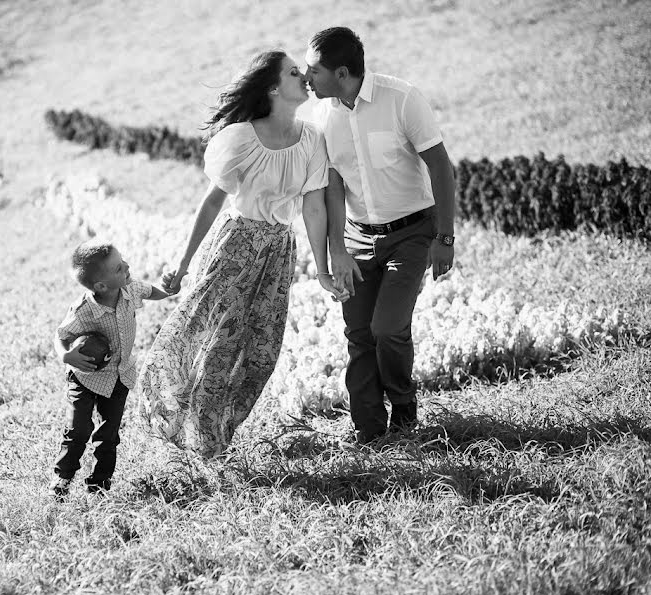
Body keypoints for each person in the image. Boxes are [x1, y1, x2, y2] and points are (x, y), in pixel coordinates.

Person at [138, 49, 345, 458]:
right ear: (272, 87)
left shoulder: (312, 139)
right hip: (236, 245)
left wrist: (322, 269)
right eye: (292, 72)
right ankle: (205, 441)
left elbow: (314, 206)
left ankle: (212, 429)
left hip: (279, 250)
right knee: (215, 341)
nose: (303, 75)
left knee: (262, 352)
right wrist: (182, 265)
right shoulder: (241, 138)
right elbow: (213, 202)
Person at [305, 26, 457, 444]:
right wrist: (338, 249)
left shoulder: (402, 98)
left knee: (387, 327)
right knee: (358, 332)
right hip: (357, 237)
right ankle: (368, 430)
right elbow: (332, 186)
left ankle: (404, 411)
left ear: (341, 72)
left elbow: (441, 167)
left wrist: (445, 238)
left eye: (312, 69)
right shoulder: (322, 116)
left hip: (412, 233)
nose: (306, 77)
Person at [52, 240, 170, 497]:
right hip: (85, 378)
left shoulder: (130, 289)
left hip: (119, 376)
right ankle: (61, 480)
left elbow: (152, 290)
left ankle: (99, 485)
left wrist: (168, 289)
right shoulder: (84, 310)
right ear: (101, 286)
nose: (127, 266)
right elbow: (61, 335)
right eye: (118, 268)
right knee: (78, 431)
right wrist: (66, 356)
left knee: (108, 435)